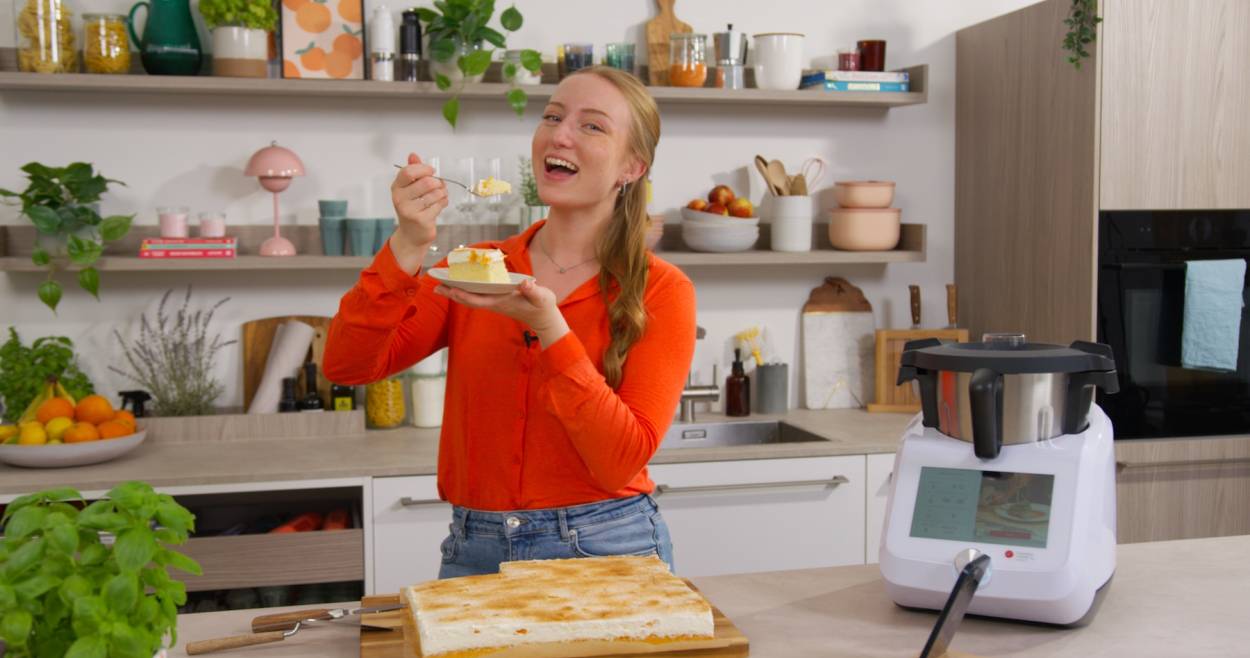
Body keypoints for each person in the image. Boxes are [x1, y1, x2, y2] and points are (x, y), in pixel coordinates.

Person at [323, 66, 696, 579]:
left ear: (631, 167)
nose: (560, 134)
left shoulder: (661, 289)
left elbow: (620, 461)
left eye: (592, 126)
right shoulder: (475, 267)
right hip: (477, 546)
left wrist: (551, 330)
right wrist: (409, 241)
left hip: (611, 547)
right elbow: (348, 363)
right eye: (552, 116)